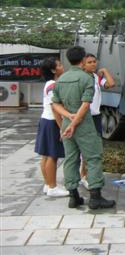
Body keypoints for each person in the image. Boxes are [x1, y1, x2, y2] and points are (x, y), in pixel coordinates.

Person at [51, 46, 116, 210]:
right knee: (93, 158)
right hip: (84, 124)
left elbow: (55, 104)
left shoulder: (62, 79)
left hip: (67, 123)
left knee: (70, 159)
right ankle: (95, 198)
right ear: (82, 60)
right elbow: (86, 105)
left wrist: (68, 118)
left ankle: (73, 197)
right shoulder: (87, 78)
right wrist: (74, 122)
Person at [80, 53, 115, 190]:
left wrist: (105, 71)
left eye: (94, 62)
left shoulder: (96, 77)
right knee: (84, 148)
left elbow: (111, 84)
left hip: (96, 116)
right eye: (89, 62)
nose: (93, 64)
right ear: (83, 64)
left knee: (93, 148)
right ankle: (83, 175)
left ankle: (86, 174)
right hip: (85, 116)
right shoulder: (81, 78)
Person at [34, 57, 69, 197]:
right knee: (52, 156)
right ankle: (53, 187)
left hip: (46, 120)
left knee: (46, 155)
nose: (62, 66)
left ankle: (48, 184)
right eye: (59, 65)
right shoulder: (53, 85)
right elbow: (55, 108)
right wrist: (62, 127)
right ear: (54, 70)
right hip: (52, 121)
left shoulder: (50, 83)